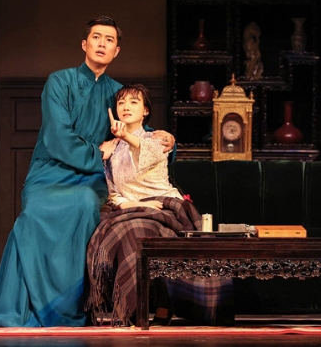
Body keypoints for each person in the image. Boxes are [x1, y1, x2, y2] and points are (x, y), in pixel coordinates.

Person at [0, 16, 175, 327]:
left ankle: (66, 306)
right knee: (34, 214)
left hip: (93, 177)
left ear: (116, 51)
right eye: (96, 37)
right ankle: (22, 305)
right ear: (84, 44)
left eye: (109, 40)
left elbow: (137, 131)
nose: (102, 44)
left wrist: (167, 142)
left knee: (83, 203)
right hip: (50, 172)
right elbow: (57, 135)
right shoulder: (59, 81)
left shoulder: (117, 92)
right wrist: (98, 151)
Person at [85, 84, 234, 327]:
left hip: (165, 208)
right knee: (128, 230)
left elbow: (148, 152)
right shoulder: (112, 147)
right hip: (132, 209)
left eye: (134, 102)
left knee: (137, 230)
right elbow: (111, 189)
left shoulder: (156, 139)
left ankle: (161, 304)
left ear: (145, 110)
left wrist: (125, 136)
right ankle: (130, 310)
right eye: (121, 102)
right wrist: (129, 203)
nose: (126, 107)